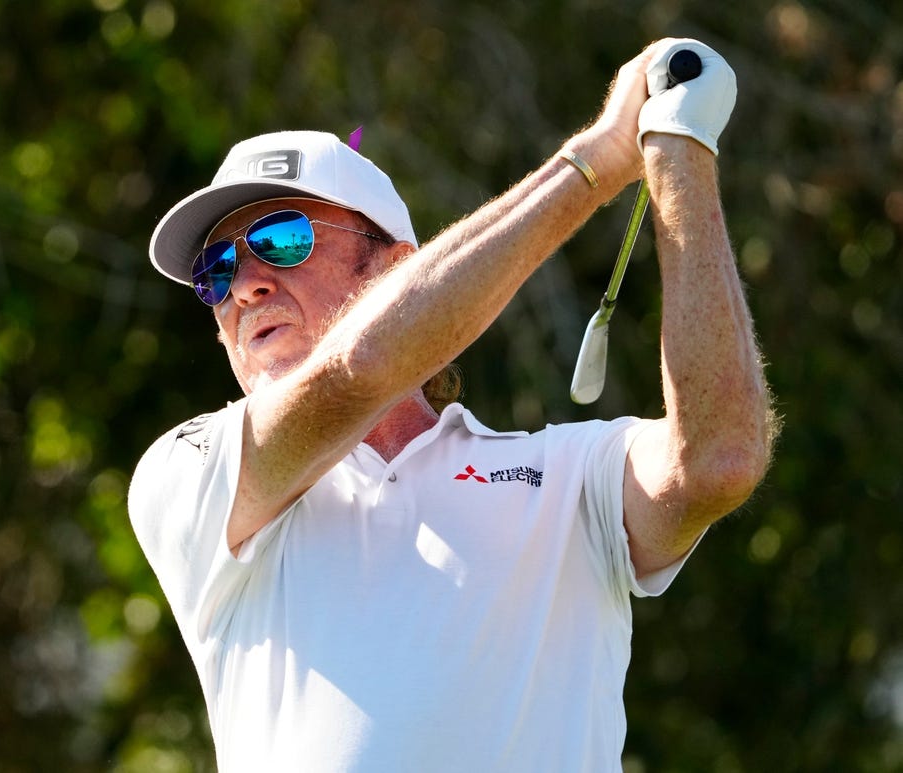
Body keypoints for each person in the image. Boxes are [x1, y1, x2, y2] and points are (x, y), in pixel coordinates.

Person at [128, 38, 775, 772]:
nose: (243, 285)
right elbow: (358, 370)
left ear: (394, 266)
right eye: (215, 270)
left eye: (280, 239)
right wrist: (596, 161)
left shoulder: (565, 475)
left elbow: (719, 458)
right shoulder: (190, 472)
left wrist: (676, 147)